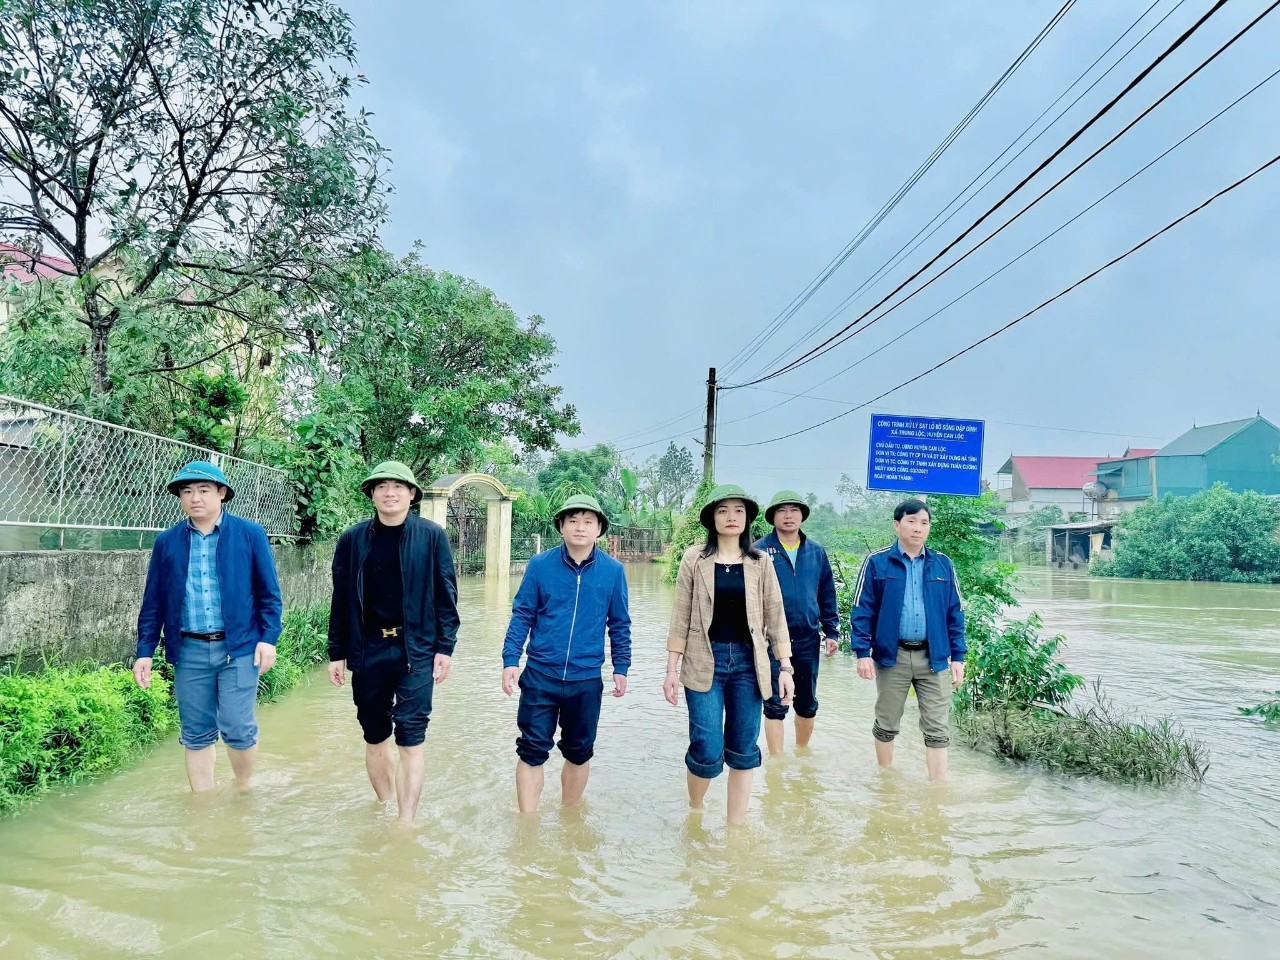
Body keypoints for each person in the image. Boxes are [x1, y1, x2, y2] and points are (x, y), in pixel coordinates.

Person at [133, 461, 283, 792]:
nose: (195, 498)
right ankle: (203, 804)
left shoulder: (249, 534)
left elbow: (269, 595)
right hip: (189, 650)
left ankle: (243, 788)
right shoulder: (167, 542)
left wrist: (269, 638)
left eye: (203, 490)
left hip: (239, 649)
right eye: (187, 491)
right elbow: (153, 602)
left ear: (222, 493)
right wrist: (145, 652)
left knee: (237, 726)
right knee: (196, 732)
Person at [327, 461, 460, 822]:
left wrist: (445, 648)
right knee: (374, 736)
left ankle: (405, 821)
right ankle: (385, 806)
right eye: (382, 487)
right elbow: (341, 599)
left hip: (415, 649)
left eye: (398, 486)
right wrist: (336, 652)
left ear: (412, 494)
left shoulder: (431, 536)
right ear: (371, 494)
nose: (390, 493)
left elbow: (446, 596)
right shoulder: (352, 539)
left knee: (411, 737)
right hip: (367, 649)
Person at [664, 484, 794, 825]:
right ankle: (695, 810)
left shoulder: (760, 561)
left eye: (738, 511)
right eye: (723, 511)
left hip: (750, 664)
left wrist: (785, 668)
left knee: (743, 747)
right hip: (704, 660)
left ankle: (736, 829)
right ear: (712, 518)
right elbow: (680, 616)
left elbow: (775, 615)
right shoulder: (694, 559)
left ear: (748, 518)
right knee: (706, 747)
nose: (731, 517)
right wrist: (671, 670)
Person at [501, 494, 631, 813]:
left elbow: (619, 623)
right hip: (540, 675)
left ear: (599, 529)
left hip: (585, 679)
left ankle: (569, 815)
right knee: (531, 750)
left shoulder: (613, 571)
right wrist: (510, 659)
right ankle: (527, 822)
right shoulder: (540, 566)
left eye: (588, 521)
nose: (580, 527)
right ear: (561, 526)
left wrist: (621, 666)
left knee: (579, 751)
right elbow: (522, 614)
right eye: (572, 520)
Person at [849, 497, 965, 780]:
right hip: (892, 657)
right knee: (887, 721)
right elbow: (862, 609)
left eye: (924, 522)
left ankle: (937, 790)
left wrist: (958, 657)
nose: (918, 528)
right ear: (896, 525)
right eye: (911, 521)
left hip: (934, 657)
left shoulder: (942, 564)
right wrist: (862, 653)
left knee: (937, 727)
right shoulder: (877, 563)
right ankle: (885, 781)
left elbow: (955, 612)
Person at [755, 490, 840, 754]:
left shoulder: (816, 552)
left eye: (794, 510)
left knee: (806, 703)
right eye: (782, 510)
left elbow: (827, 593)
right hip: (770, 640)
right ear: (773, 517)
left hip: (807, 639)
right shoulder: (758, 551)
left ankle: (802, 754)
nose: (788, 516)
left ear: (802, 516)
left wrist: (832, 632)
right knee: (775, 704)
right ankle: (777, 763)